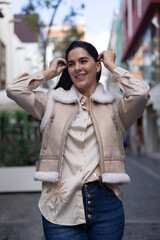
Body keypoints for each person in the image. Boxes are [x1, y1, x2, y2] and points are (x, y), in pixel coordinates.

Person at [6, 41, 150, 240]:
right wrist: (48, 73)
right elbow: (14, 89)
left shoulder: (116, 106)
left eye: (84, 61)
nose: (77, 68)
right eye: (71, 63)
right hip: (59, 206)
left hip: (106, 204)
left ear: (97, 65)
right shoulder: (51, 102)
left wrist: (112, 66)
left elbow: (142, 92)